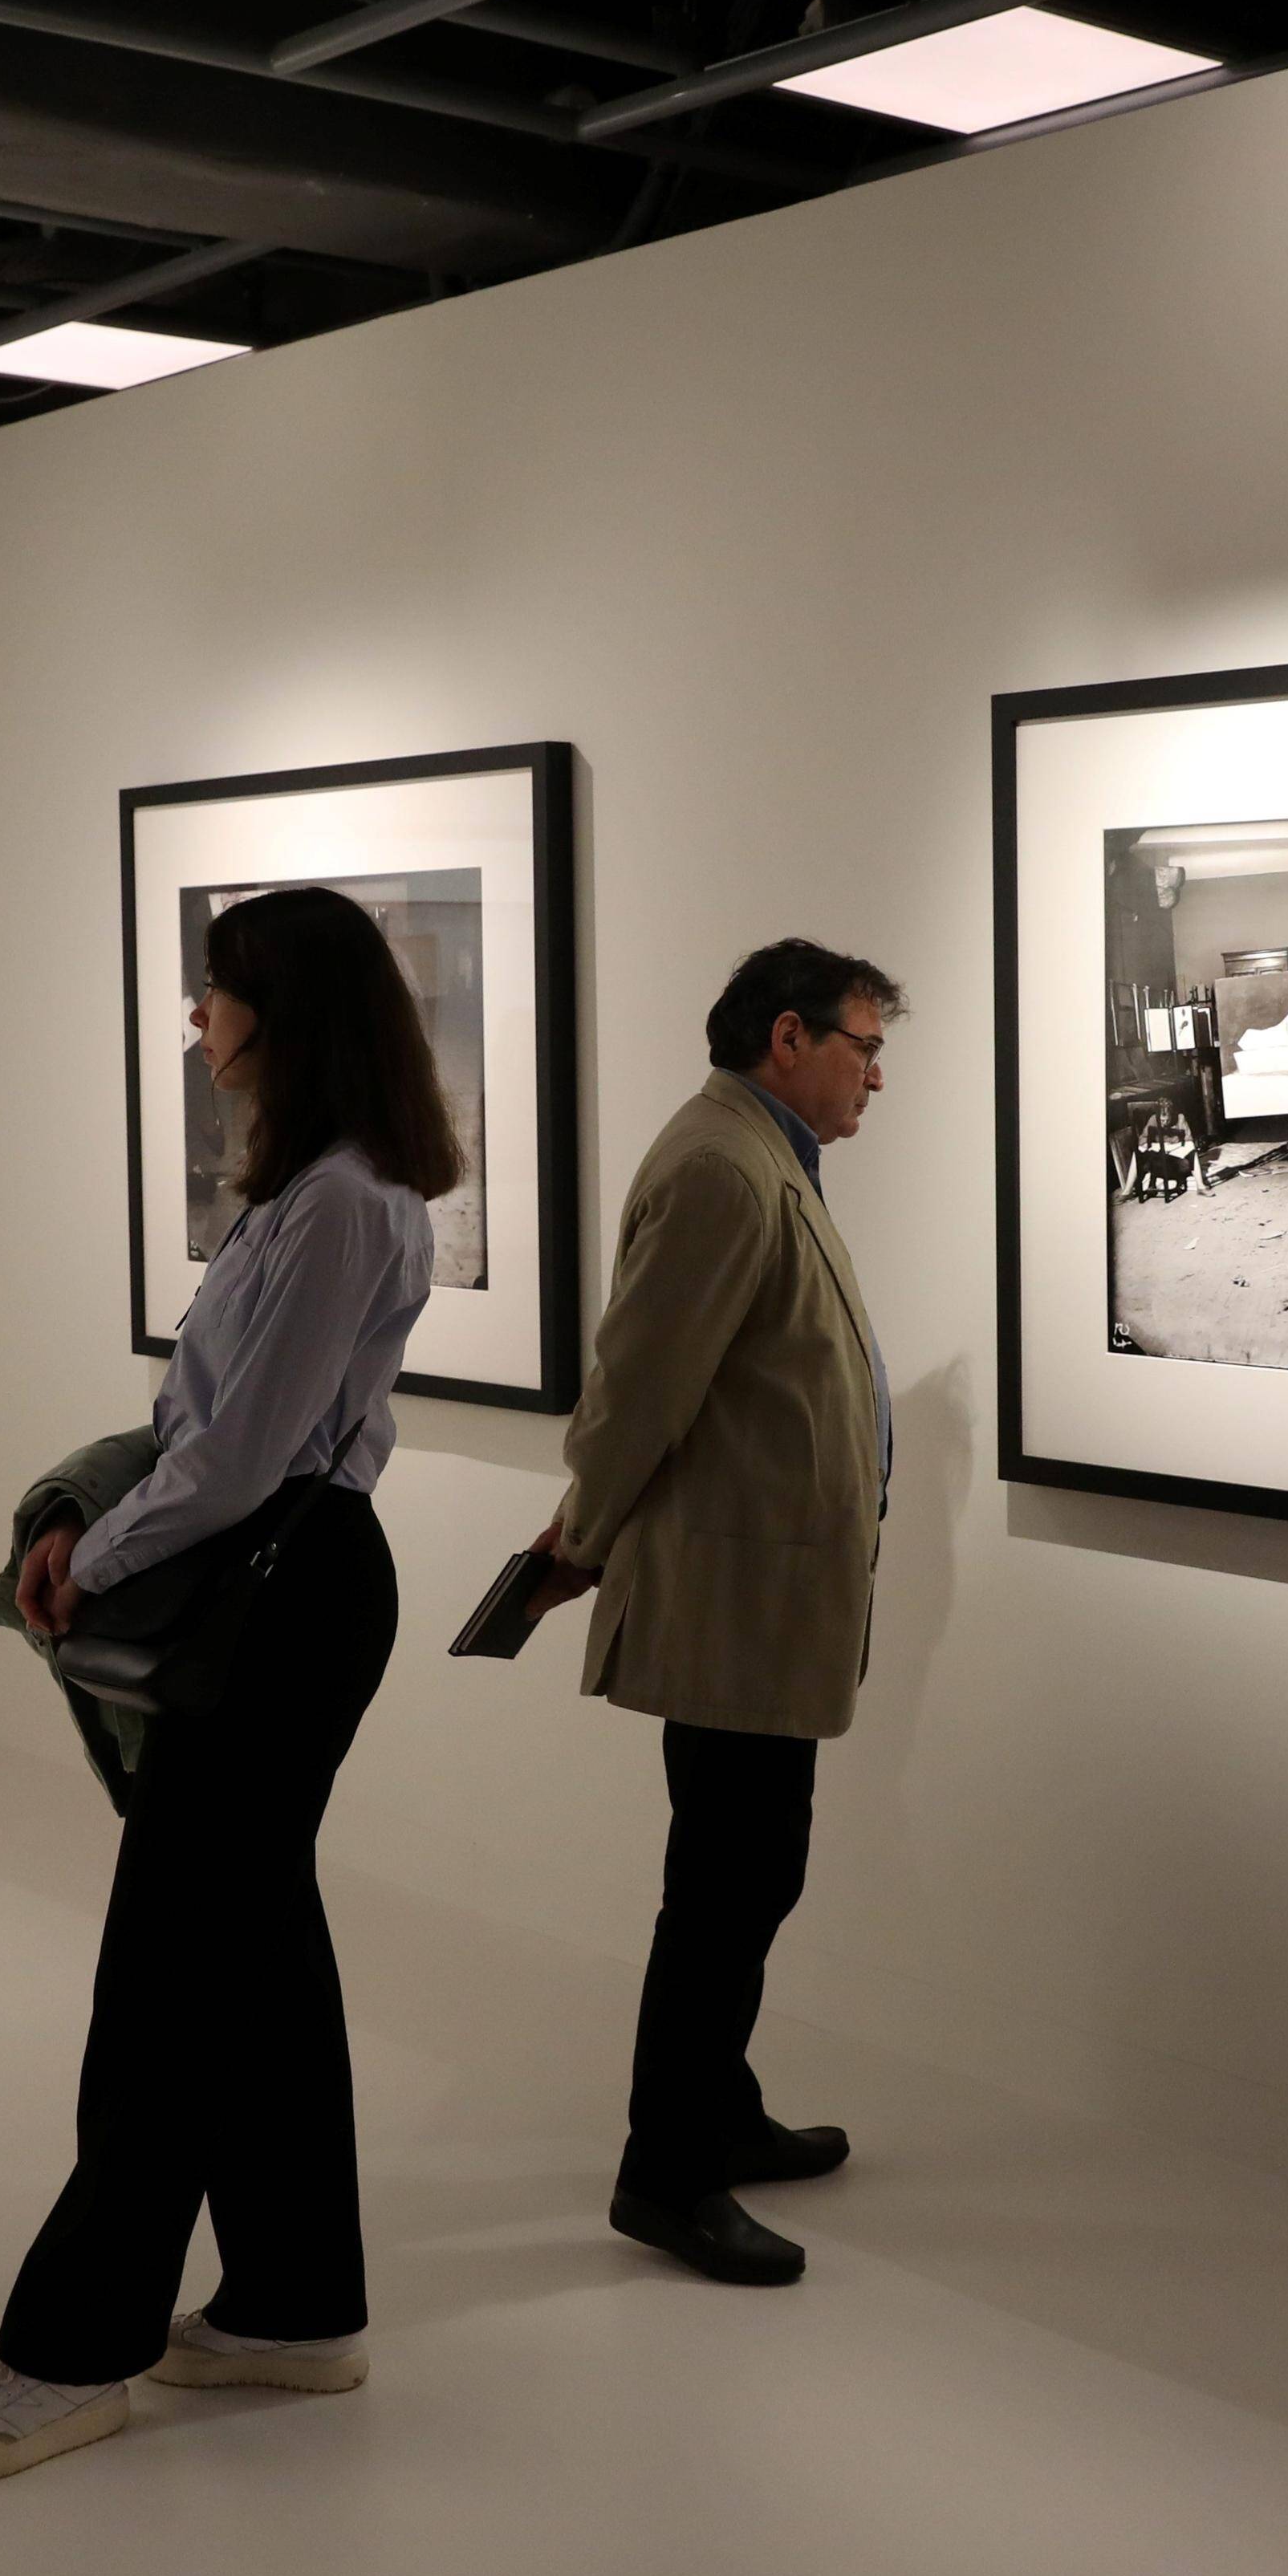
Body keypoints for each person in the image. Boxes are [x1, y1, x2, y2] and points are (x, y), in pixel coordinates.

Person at [0, 884, 458, 2487]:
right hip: (279, 1582)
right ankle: (296, 2302)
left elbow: (234, 1460)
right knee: (256, 1952)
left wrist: (94, 1554)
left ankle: (71, 2351)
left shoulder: (343, 1203)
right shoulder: (309, 1194)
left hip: (285, 1593)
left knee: (167, 1980)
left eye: (216, 992)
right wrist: (88, 1518)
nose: (198, 1019)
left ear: (283, 1012)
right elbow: (197, 1432)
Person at [527, 939, 900, 2287]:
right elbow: (637, 1386)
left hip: (766, 1590)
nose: (875, 1077)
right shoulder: (721, 1167)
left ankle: (719, 2111)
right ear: (787, 1037)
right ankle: (668, 2170)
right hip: (734, 1595)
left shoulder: (758, 1155)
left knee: (753, 1871)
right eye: (864, 1047)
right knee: (726, 1885)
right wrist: (585, 1529)